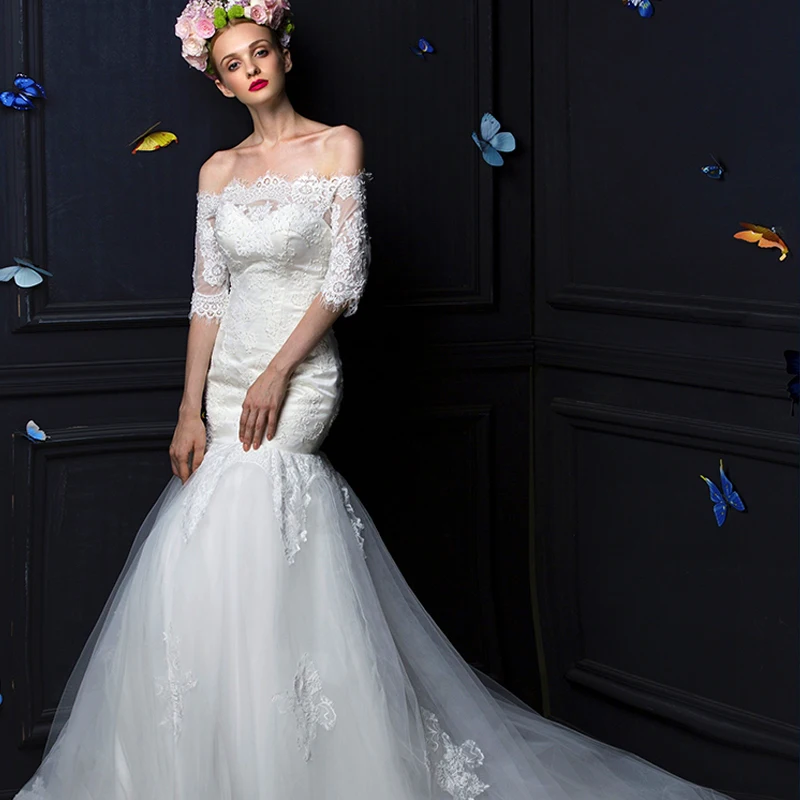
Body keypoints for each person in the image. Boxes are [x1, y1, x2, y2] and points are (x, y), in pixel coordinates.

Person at [15, 2, 736, 798]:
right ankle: (220, 753)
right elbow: (208, 296)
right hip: (226, 377)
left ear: (285, 56)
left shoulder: (337, 145)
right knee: (211, 537)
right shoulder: (216, 170)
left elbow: (345, 278)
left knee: (267, 501)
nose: (251, 69)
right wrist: (189, 408)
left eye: (261, 52)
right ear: (219, 84)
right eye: (232, 64)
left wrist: (278, 372)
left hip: (300, 369)